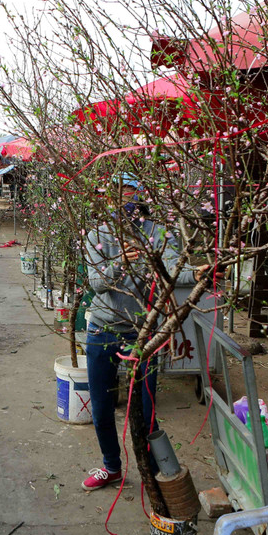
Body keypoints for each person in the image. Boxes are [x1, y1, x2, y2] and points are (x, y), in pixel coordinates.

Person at [81, 177, 204, 491]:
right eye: (114, 190)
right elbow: (97, 284)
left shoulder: (157, 232)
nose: (121, 197)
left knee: (147, 413)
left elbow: (174, 271)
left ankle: (156, 473)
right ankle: (111, 467)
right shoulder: (96, 235)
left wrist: (198, 273)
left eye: (128, 189)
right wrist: (119, 264)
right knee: (101, 407)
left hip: (143, 332)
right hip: (104, 327)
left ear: (140, 194)